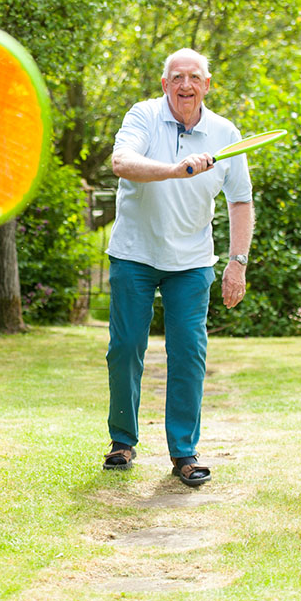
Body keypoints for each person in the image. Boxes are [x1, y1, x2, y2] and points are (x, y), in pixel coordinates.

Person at [100, 48, 253, 487]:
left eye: (195, 77)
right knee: (126, 347)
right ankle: (122, 441)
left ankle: (184, 452)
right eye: (177, 77)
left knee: (188, 352)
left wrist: (236, 263)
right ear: (164, 84)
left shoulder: (225, 132)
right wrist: (174, 169)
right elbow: (121, 162)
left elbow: (240, 201)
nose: (186, 84)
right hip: (135, 253)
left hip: (191, 262)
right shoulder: (143, 116)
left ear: (207, 85)